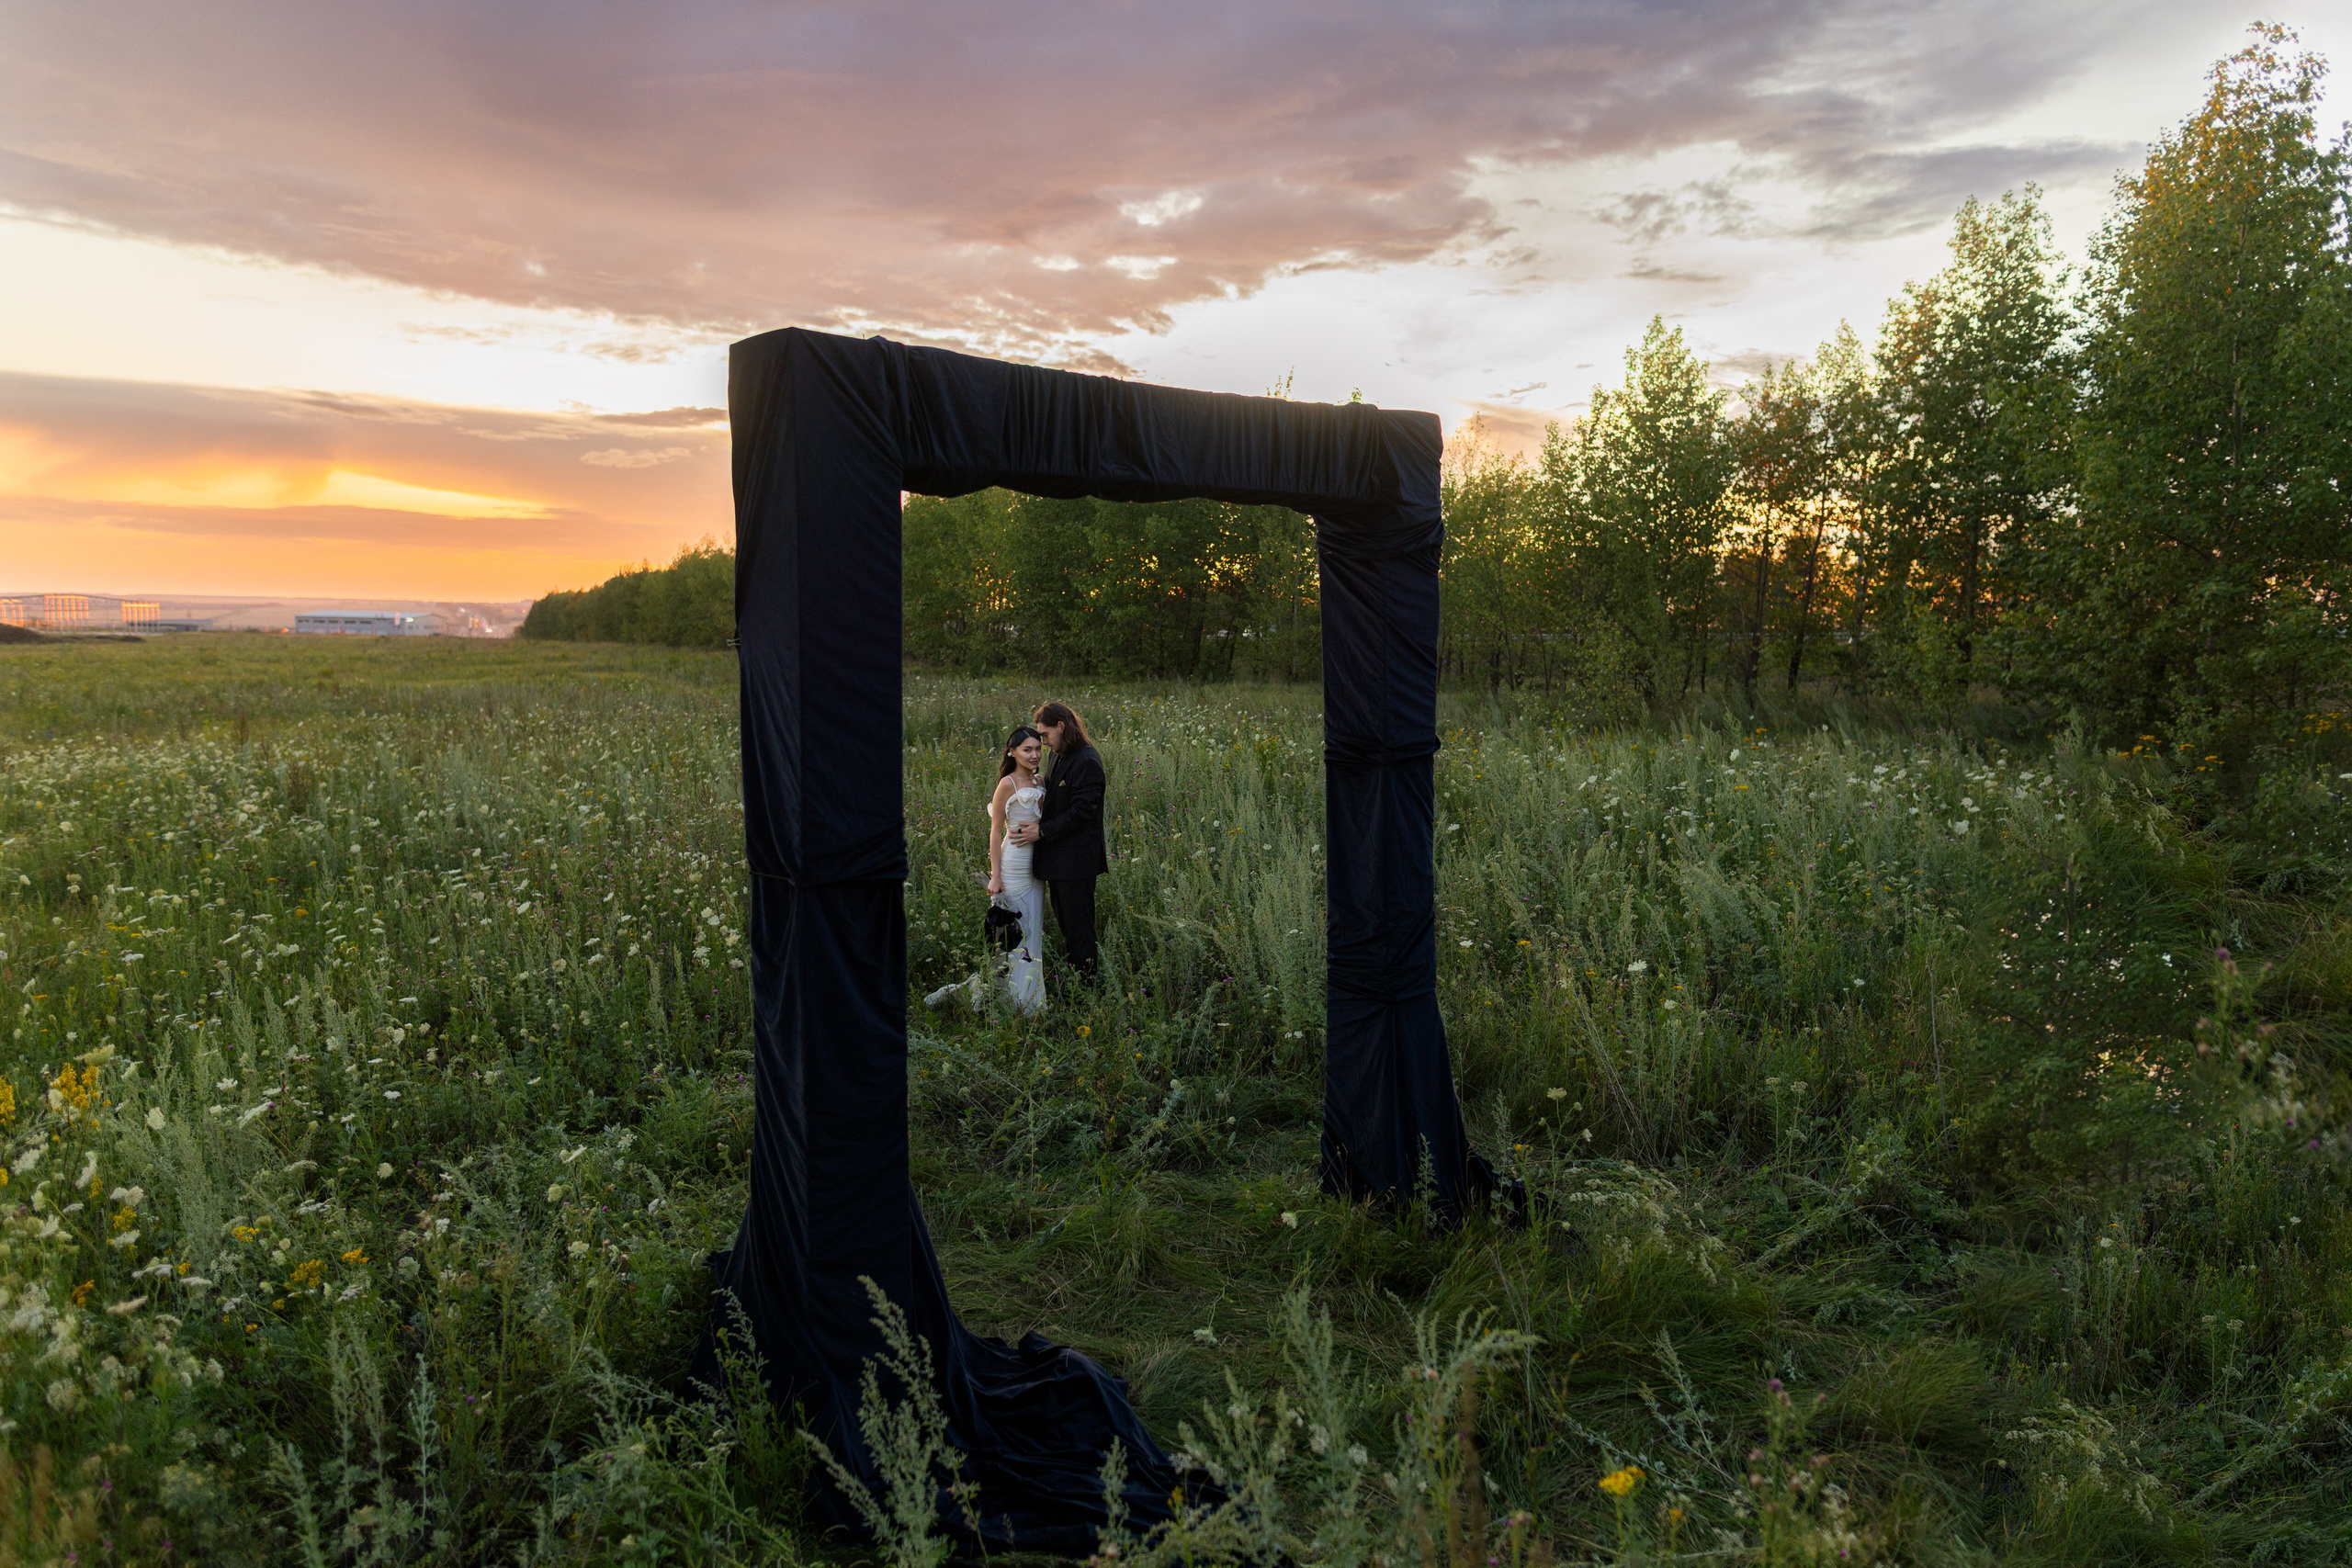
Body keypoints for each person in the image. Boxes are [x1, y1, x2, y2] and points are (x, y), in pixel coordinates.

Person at [925, 727, 1047, 1014]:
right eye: (1027, 749)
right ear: (1012, 751)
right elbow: (995, 832)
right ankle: (1011, 1000)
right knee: (1013, 931)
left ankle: (1030, 998)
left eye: (1038, 749)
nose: (1034, 755)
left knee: (1033, 931)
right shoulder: (1007, 783)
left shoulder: (1041, 780)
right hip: (1014, 863)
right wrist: (996, 875)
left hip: (1037, 865)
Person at [1008, 701, 1106, 986]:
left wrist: (1042, 832)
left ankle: (1086, 990)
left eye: (1046, 735)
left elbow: (1082, 812)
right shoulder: (1058, 755)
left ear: (1061, 727)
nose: (1043, 742)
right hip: (1058, 861)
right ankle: (1076, 980)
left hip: (1077, 861)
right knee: (1067, 925)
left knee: (1080, 929)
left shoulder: (1086, 760)